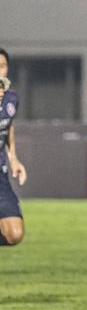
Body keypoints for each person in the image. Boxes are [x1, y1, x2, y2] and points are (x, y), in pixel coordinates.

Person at [0, 48, 27, 247]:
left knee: (15, 234)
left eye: (2, 66)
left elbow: (8, 127)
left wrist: (14, 158)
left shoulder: (11, 99)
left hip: (0, 174)